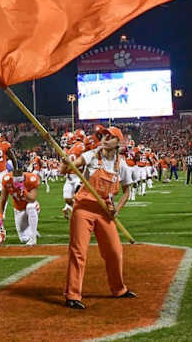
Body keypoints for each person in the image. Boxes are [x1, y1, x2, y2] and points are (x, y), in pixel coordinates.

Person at [63, 126, 135, 310]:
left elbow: (127, 191)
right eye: (103, 135)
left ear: (118, 142)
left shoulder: (122, 164)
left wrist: (116, 209)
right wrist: (66, 163)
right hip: (84, 208)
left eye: (110, 137)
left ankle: (118, 288)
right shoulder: (91, 156)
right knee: (78, 251)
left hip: (105, 211)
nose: (105, 138)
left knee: (114, 250)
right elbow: (68, 168)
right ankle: (72, 294)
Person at [0, 166, 41, 246]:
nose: (17, 183)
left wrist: (24, 190)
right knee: (23, 238)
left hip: (31, 205)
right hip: (18, 209)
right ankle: (31, 230)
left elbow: (32, 199)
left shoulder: (31, 179)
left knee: (30, 207)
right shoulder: (6, 180)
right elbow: (2, 200)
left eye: (20, 181)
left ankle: (33, 237)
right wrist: (0, 216)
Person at [59, 131, 85, 219]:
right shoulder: (64, 150)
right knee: (67, 199)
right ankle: (73, 209)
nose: (63, 141)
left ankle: (79, 214)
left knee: (77, 197)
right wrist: (63, 164)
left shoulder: (80, 146)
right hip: (69, 178)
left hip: (79, 176)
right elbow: (62, 170)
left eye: (65, 139)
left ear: (71, 139)